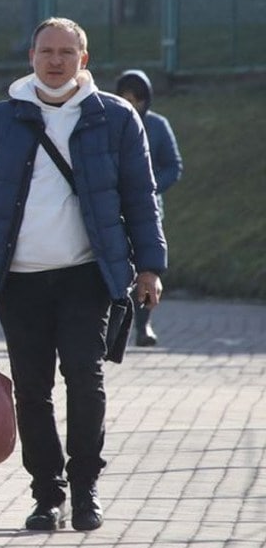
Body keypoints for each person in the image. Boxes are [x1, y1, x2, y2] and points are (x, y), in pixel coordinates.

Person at [0, 18, 167, 532]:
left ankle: (86, 486)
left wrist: (151, 266)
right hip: (18, 276)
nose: (55, 61)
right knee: (31, 388)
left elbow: (142, 195)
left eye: (66, 52)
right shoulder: (4, 118)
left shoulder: (115, 118)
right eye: (46, 51)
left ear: (83, 60)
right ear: (31, 57)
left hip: (85, 274)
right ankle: (47, 492)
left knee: (85, 377)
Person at [115, 69, 183, 347]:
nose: (132, 105)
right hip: (114, 209)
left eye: (137, 100)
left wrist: (150, 188)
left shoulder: (157, 126)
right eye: (126, 99)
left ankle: (143, 325)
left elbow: (173, 165)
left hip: (148, 210)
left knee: (146, 267)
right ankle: (115, 326)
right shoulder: (110, 123)